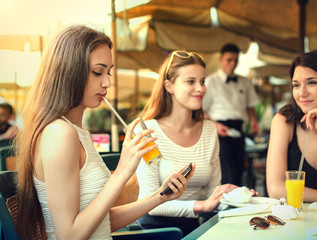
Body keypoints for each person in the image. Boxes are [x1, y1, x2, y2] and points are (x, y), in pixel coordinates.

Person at [15, 25, 194, 240]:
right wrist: (122, 172)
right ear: (69, 70)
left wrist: (160, 196)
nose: (107, 82)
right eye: (97, 72)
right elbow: (69, 235)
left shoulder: (77, 132)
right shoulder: (60, 134)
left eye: (108, 72)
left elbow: (100, 222)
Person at [136, 50, 257, 236]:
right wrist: (203, 206)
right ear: (169, 86)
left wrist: (239, 197)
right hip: (156, 231)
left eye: (202, 81)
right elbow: (149, 203)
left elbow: (212, 195)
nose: (200, 89)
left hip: (194, 228)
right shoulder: (146, 131)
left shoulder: (209, 130)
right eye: (190, 81)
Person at [266, 50, 317, 203]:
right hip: (296, 221)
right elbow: (276, 189)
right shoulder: (284, 121)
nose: (302, 93)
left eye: (312, 83)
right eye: (296, 85)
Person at [203, 43, 259, 186]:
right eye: (229, 59)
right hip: (219, 130)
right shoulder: (211, 82)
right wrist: (215, 125)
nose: (233, 63)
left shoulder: (245, 81)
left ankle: (238, 203)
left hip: (238, 129)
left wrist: (253, 120)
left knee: (240, 168)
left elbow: (250, 105)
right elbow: (200, 110)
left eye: (235, 60)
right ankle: (226, 205)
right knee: (227, 172)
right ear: (221, 60)